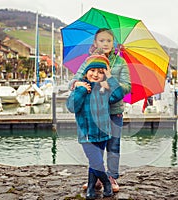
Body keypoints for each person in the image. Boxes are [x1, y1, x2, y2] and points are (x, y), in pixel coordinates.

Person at [69, 28, 131, 193]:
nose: (105, 43)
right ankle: (96, 178)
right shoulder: (89, 60)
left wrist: (109, 81)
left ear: (114, 44)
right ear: (95, 43)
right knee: (95, 147)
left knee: (113, 146)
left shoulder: (120, 62)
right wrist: (77, 84)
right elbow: (75, 79)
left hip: (113, 110)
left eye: (108, 41)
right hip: (92, 112)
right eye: (101, 40)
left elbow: (127, 86)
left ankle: (111, 177)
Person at [71, 54, 124, 199]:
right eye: (92, 70)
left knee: (95, 161)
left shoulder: (104, 90)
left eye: (101, 72)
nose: (96, 74)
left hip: (103, 132)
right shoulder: (82, 87)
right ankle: (106, 182)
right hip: (87, 134)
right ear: (86, 71)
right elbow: (72, 107)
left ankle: (90, 188)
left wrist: (109, 78)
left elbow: (119, 94)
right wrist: (79, 87)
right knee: (96, 160)